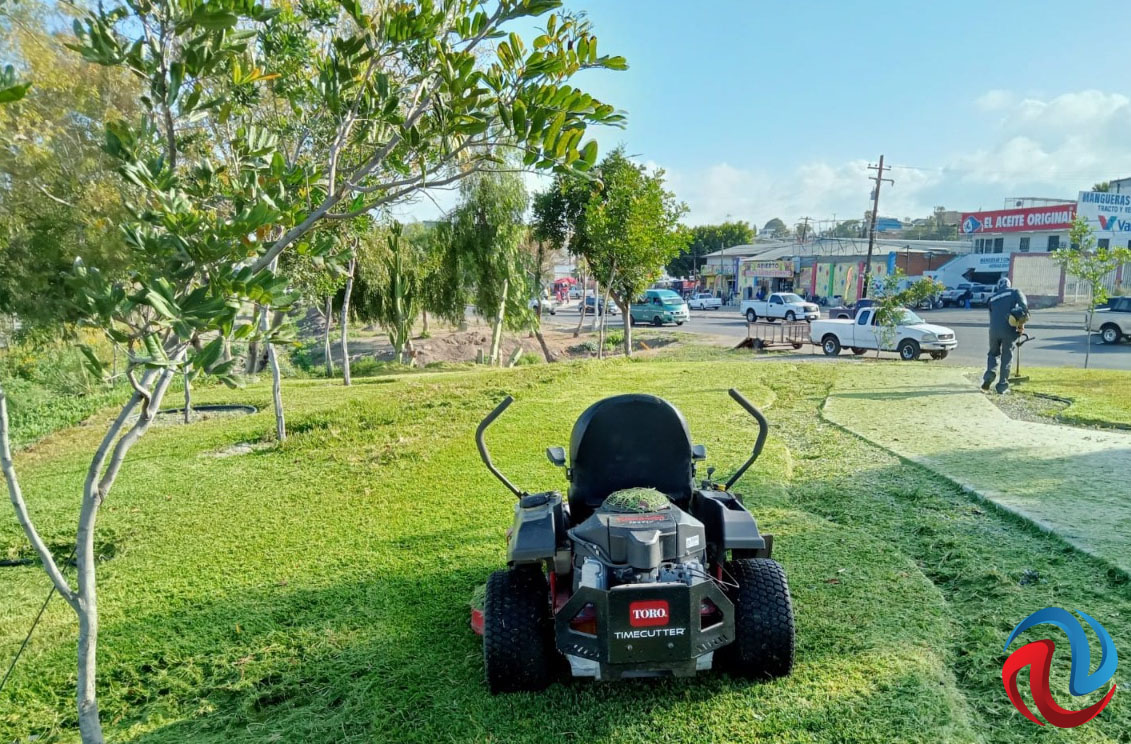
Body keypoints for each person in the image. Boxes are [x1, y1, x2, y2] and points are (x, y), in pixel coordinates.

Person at [982, 277, 1028, 394]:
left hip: (993, 330)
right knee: (1006, 356)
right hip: (1008, 329)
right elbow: (1024, 308)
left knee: (993, 354)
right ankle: (1002, 386)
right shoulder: (1015, 292)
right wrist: (1020, 324)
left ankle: (989, 376)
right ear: (1009, 284)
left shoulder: (992, 298)